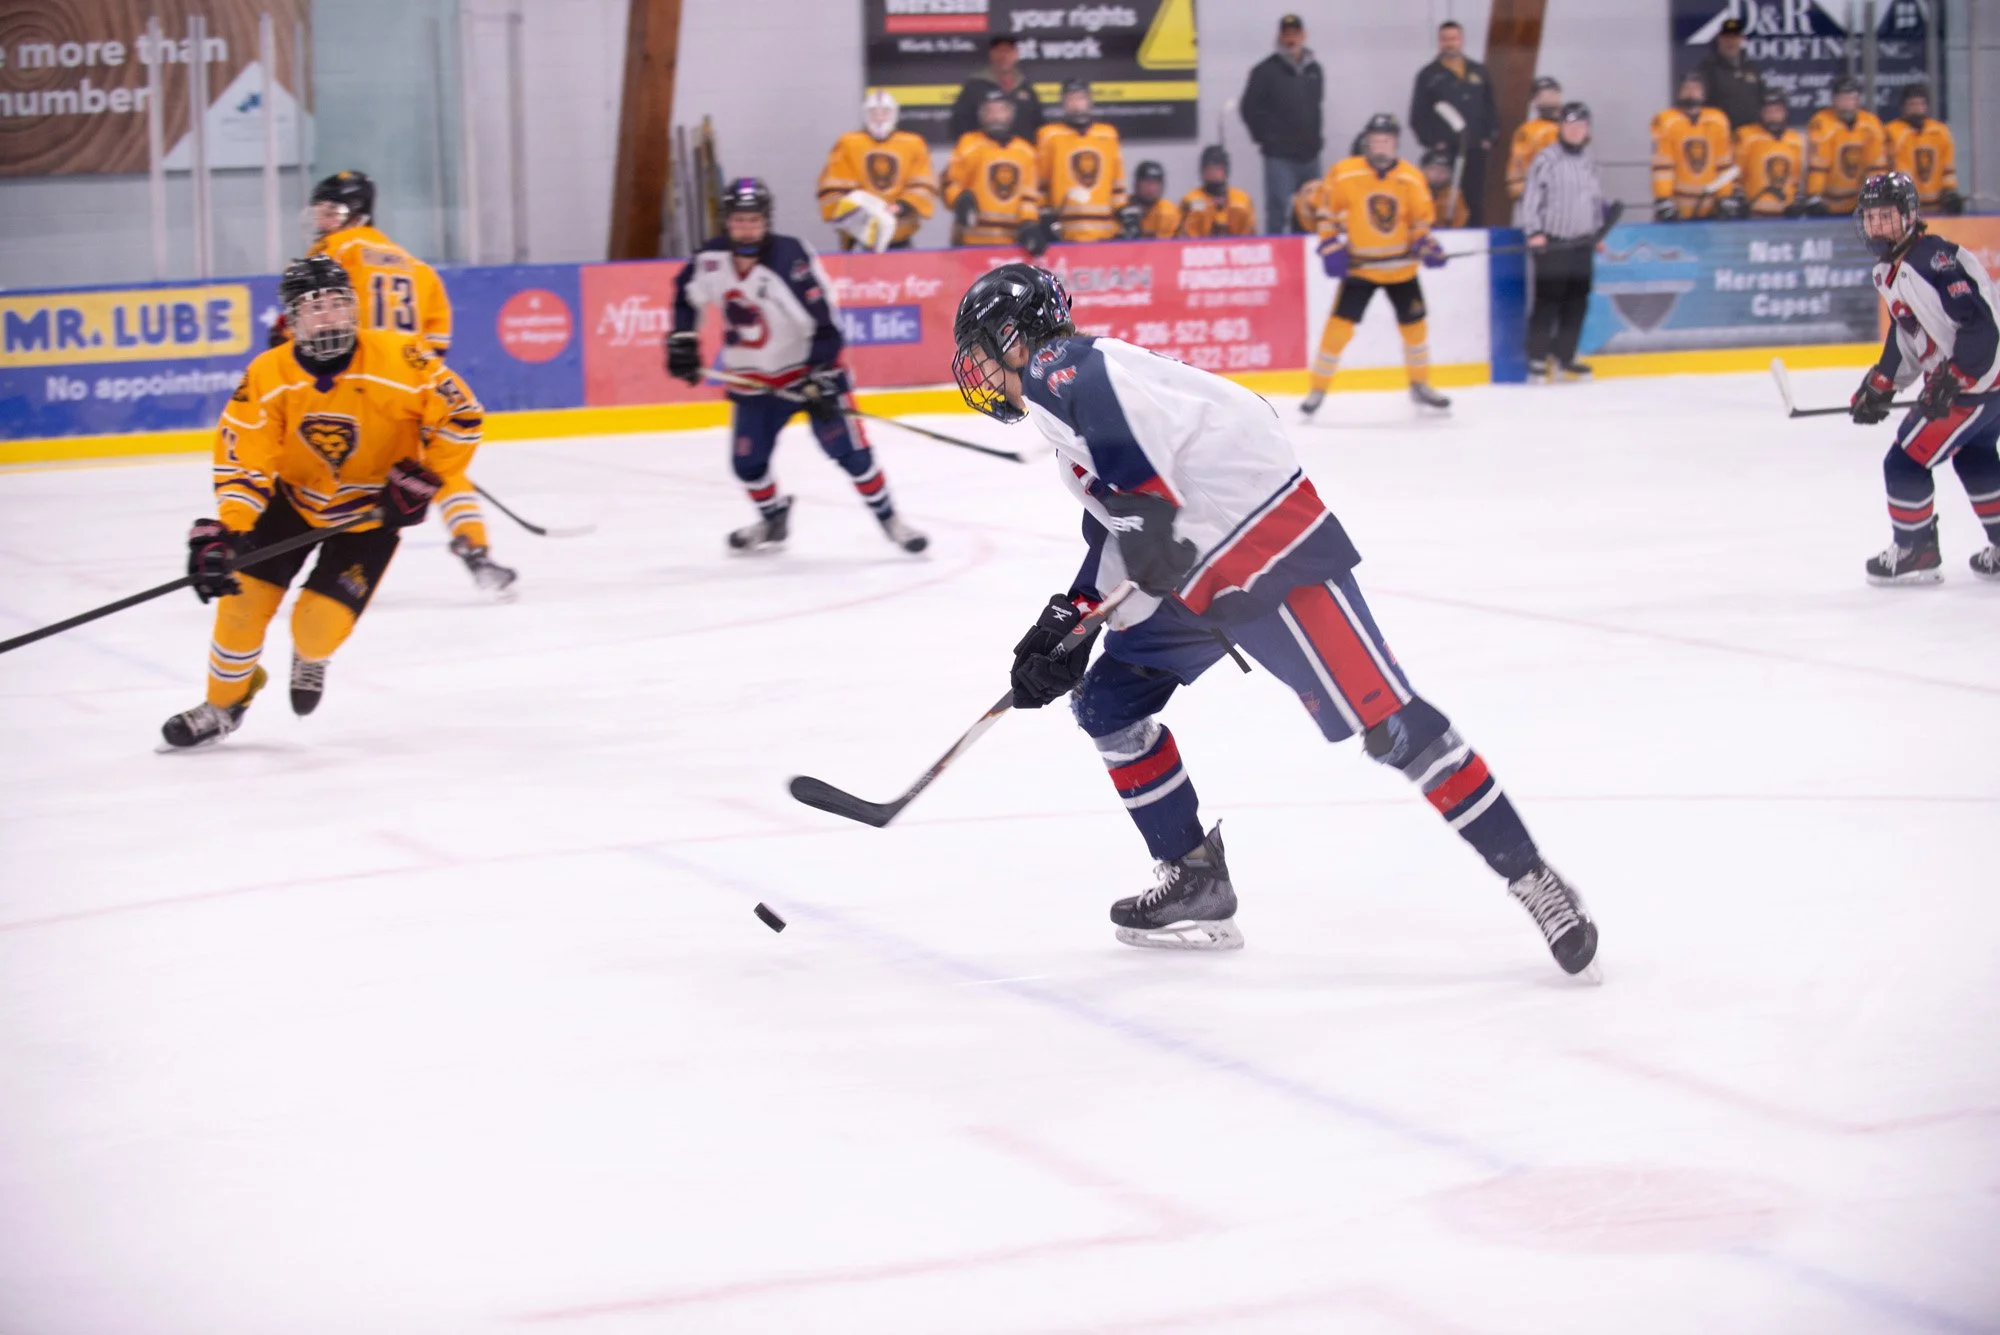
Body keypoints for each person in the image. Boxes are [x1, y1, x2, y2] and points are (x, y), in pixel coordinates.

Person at [947, 263, 1599, 973]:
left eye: (981, 352)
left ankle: (1533, 877)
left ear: (1015, 337)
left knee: (1393, 726)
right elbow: (1118, 533)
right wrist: (1069, 623)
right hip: (1197, 575)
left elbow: (1139, 489)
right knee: (1108, 702)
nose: (980, 373)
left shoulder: (1060, 367)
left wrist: (1145, 511)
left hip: (1267, 553)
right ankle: (1195, 877)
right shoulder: (1071, 416)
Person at [160, 256, 472, 748]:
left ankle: (310, 656)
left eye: (337, 303)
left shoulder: (402, 357)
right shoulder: (268, 373)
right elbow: (244, 457)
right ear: (293, 320)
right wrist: (230, 529)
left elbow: (463, 417)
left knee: (315, 629)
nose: (328, 316)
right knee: (240, 607)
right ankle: (224, 705)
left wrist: (426, 476)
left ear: (353, 308)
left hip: (370, 516)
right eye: (314, 307)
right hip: (291, 503)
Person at [665, 178, 926, 556]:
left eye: (754, 220)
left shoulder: (790, 259)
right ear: (727, 222)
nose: (746, 229)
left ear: (766, 221)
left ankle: (891, 520)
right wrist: (683, 339)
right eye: (739, 221)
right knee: (747, 464)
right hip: (753, 382)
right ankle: (773, 519)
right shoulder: (711, 259)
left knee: (851, 455)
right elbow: (685, 295)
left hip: (809, 376)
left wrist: (821, 376)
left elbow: (826, 326)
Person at [304, 170, 515, 595]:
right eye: (320, 212)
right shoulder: (415, 266)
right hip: (410, 383)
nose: (323, 220)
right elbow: (435, 343)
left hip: (356, 380)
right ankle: (475, 546)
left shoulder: (335, 250)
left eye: (331, 211)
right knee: (439, 467)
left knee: (331, 467)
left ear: (356, 212)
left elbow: (311, 313)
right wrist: (415, 387)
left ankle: (331, 566)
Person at [1846, 172, 2000, 585]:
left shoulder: (1932, 261)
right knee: (1974, 454)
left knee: (1905, 461)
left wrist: (1954, 378)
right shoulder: (1890, 270)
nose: (1877, 226)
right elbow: (1908, 334)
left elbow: (1981, 328)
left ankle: (1917, 551)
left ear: (1909, 216)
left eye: (1886, 217)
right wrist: (1882, 383)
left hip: (1977, 384)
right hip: (1985, 386)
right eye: (1871, 218)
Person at [1301, 114, 1451, 417]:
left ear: (1395, 143)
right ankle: (1317, 389)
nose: (1380, 145)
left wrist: (1425, 245)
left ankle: (1420, 384)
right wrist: (1330, 247)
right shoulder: (1344, 173)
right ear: (1367, 142)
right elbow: (1326, 215)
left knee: (1415, 330)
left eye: (1386, 140)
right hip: (1362, 269)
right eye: (1375, 140)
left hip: (1401, 269)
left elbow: (1420, 222)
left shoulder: (1411, 177)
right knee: (1338, 329)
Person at [1520, 103, 1607, 384]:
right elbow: (1531, 197)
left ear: (1588, 129)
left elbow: (1595, 199)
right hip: (1553, 243)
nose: (1576, 131)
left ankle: (1564, 356)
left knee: (1577, 302)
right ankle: (1537, 358)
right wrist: (1534, 231)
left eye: (1581, 126)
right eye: (1570, 125)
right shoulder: (1547, 159)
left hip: (1582, 243)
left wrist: (1597, 234)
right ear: (1561, 128)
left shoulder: (1590, 160)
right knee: (1548, 301)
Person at [816, 89, 938, 252]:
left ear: (894, 114)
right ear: (865, 115)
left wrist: (902, 206)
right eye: (873, 112)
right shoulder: (848, 143)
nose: (879, 118)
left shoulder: (913, 144)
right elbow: (833, 185)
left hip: (899, 236)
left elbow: (923, 182)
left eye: (885, 112)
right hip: (858, 237)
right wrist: (855, 213)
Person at [1239, 14, 1325, 234]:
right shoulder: (1264, 71)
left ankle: (1308, 253)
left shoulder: (1315, 70)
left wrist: (1316, 140)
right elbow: (1248, 108)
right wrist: (1267, 138)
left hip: (1310, 156)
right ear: (1279, 37)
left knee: (1312, 211)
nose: (1291, 39)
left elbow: (1316, 106)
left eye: (1295, 34)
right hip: (1280, 158)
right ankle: (1277, 252)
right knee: (1279, 211)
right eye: (1286, 35)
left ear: (1304, 36)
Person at [1410, 21, 1498, 226]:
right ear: (1439, 42)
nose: (1450, 43)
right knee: (1442, 199)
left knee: (1474, 198)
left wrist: (1490, 136)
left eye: (1454, 38)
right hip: (1445, 150)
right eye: (1445, 39)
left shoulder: (1478, 71)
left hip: (1475, 147)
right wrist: (1433, 141)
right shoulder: (1428, 75)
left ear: (1462, 40)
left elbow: (1490, 106)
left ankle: (1475, 236)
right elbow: (1418, 114)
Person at [946, 91, 1048, 253]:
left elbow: (1029, 195)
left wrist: (1028, 223)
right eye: (989, 111)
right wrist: (959, 198)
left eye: (1000, 110)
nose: (995, 116)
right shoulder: (967, 144)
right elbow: (951, 181)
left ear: (1010, 113)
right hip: (971, 240)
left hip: (1013, 243)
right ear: (981, 115)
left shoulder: (1026, 151)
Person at [1036, 80, 1127, 244]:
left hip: (1104, 231)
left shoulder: (1108, 134)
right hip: (1065, 231)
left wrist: (1122, 210)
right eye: (1070, 99)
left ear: (1090, 101)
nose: (1076, 105)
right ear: (1062, 104)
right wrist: (1044, 213)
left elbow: (1117, 181)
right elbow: (1040, 182)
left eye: (1080, 98)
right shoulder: (1049, 135)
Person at [1650, 71, 1737, 220]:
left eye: (1696, 88)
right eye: (1686, 88)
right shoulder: (1665, 121)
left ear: (1704, 93)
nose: (1691, 92)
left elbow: (1724, 163)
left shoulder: (1718, 119)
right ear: (1678, 92)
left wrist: (1725, 195)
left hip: (1711, 206)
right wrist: (1664, 198)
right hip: (1677, 205)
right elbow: (1662, 166)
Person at [1805, 75, 1887, 216]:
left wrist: (1875, 193)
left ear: (1857, 100)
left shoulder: (1871, 123)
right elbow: (1818, 164)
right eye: (1842, 99)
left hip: (1860, 202)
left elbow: (1876, 165)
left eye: (1851, 99)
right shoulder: (1821, 122)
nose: (1847, 104)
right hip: (1827, 202)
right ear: (1833, 100)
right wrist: (1814, 196)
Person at [947, 35, 1043, 144]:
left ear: (1016, 55)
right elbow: (958, 125)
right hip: (984, 152)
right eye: (999, 52)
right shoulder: (974, 87)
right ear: (991, 54)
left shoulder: (1026, 88)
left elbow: (1038, 125)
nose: (1004, 57)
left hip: (1021, 152)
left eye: (1008, 52)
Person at [1884, 83, 1963, 215]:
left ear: (1927, 106)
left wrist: (1949, 191)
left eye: (1921, 104)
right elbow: (1894, 168)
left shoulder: (1941, 132)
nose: (1917, 109)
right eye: (1912, 104)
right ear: (1903, 107)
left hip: (1937, 209)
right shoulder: (1891, 132)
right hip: (1904, 210)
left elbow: (1948, 168)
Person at [1736, 89, 1806, 217]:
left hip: (1786, 214)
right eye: (1768, 111)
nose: (1773, 116)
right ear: (1761, 113)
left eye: (1777, 111)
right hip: (1754, 213)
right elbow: (1734, 175)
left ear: (1785, 112)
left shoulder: (1795, 139)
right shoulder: (1746, 136)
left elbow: (1797, 178)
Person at [1504, 76, 1564, 213]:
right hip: (1538, 194)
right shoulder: (1528, 130)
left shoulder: (1571, 127)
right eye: (1542, 95)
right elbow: (1518, 162)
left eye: (1552, 94)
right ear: (1535, 100)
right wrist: (1518, 188)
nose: (1548, 99)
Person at [1696, 17, 1765, 130]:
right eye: (1726, 37)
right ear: (1719, 39)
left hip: (1748, 134)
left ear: (1741, 39)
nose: (1730, 42)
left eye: (1734, 37)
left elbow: (1762, 99)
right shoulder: (1707, 68)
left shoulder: (1751, 67)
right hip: (1720, 132)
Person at [1177, 145, 1256, 238]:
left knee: (1239, 207)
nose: (1213, 173)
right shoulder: (1191, 198)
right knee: (1199, 210)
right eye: (1209, 169)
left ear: (1226, 170)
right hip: (1199, 244)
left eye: (1218, 168)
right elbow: (1188, 207)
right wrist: (1210, 203)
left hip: (1237, 244)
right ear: (1202, 171)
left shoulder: (1242, 198)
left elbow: (1253, 232)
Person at [1119, 161, 1181, 239]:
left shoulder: (1169, 212)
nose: (1151, 189)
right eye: (1146, 183)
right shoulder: (1122, 207)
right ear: (1136, 184)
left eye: (1155, 184)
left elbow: (1164, 244)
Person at [1419, 147, 1468, 227]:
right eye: (1433, 169)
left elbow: (1459, 224)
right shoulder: (1412, 190)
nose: (1438, 173)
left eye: (1444, 170)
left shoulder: (1453, 196)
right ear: (1422, 170)